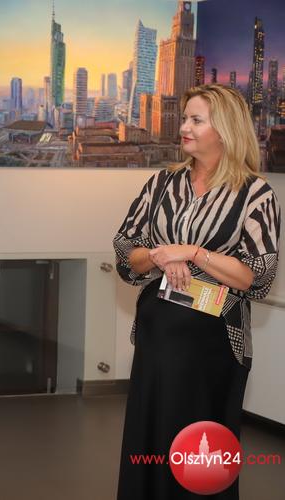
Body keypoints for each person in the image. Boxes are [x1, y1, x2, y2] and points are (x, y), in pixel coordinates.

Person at [114, 84, 281, 499]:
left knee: (199, 455)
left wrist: (192, 253)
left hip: (213, 348)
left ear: (224, 129)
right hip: (155, 340)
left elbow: (257, 276)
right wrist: (159, 255)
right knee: (150, 440)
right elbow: (125, 252)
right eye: (185, 118)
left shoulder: (255, 194)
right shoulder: (162, 183)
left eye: (195, 120)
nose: (184, 127)